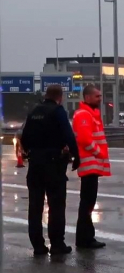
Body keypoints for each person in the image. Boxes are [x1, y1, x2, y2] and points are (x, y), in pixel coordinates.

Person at [20, 85, 80, 256]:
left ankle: (38, 245)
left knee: (35, 206)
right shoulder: (58, 111)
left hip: (35, 164)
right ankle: (57, 244)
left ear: (46, 95)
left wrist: (32, 152)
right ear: (60, 97)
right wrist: (76, 156)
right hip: (53, 164)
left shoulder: (34, 112)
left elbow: (24, 138)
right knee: (56, 205)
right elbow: (69, 135)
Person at [72, 85, 110, 249]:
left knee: (88, 202)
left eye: (100, 96)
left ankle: (87, 236)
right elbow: (85, 140)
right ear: (87, 98)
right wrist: (99, 152)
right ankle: (84, 238)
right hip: (89, 163)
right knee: (87, 202)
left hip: (92, 164)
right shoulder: (83, 115)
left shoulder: (91, 114)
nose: (100, 99)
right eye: (97, 96)